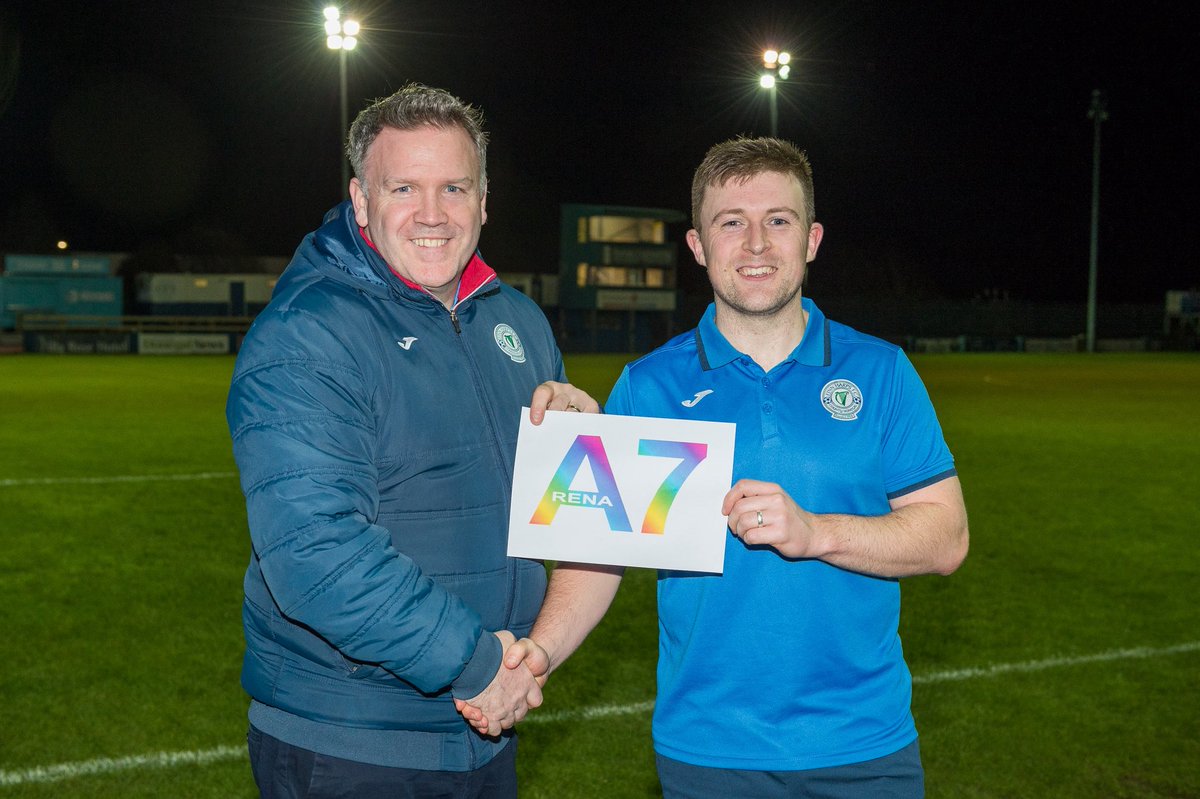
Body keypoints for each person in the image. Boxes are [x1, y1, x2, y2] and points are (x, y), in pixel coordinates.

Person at [482, 136, 969, 797]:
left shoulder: (881, 372)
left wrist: (818, 532)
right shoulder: (649, 387)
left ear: (813, 239)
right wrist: (539, 650)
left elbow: (946, 536)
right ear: (698, 247)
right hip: (708, 751)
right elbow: (597, 557)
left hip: (863, 746)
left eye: (779, 220)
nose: (757, 244)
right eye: (731, 223)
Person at [226, 83, 597, 798]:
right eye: (404, 187)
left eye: (455, 186)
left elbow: (567, 517)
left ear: (484, 200)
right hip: (355, 745)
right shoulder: (308, 333)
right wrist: (479, 665)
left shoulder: (513, 320)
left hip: (484, 734)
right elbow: (317, 555)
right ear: (361, 202)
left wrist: (582, 449)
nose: (433, 213)